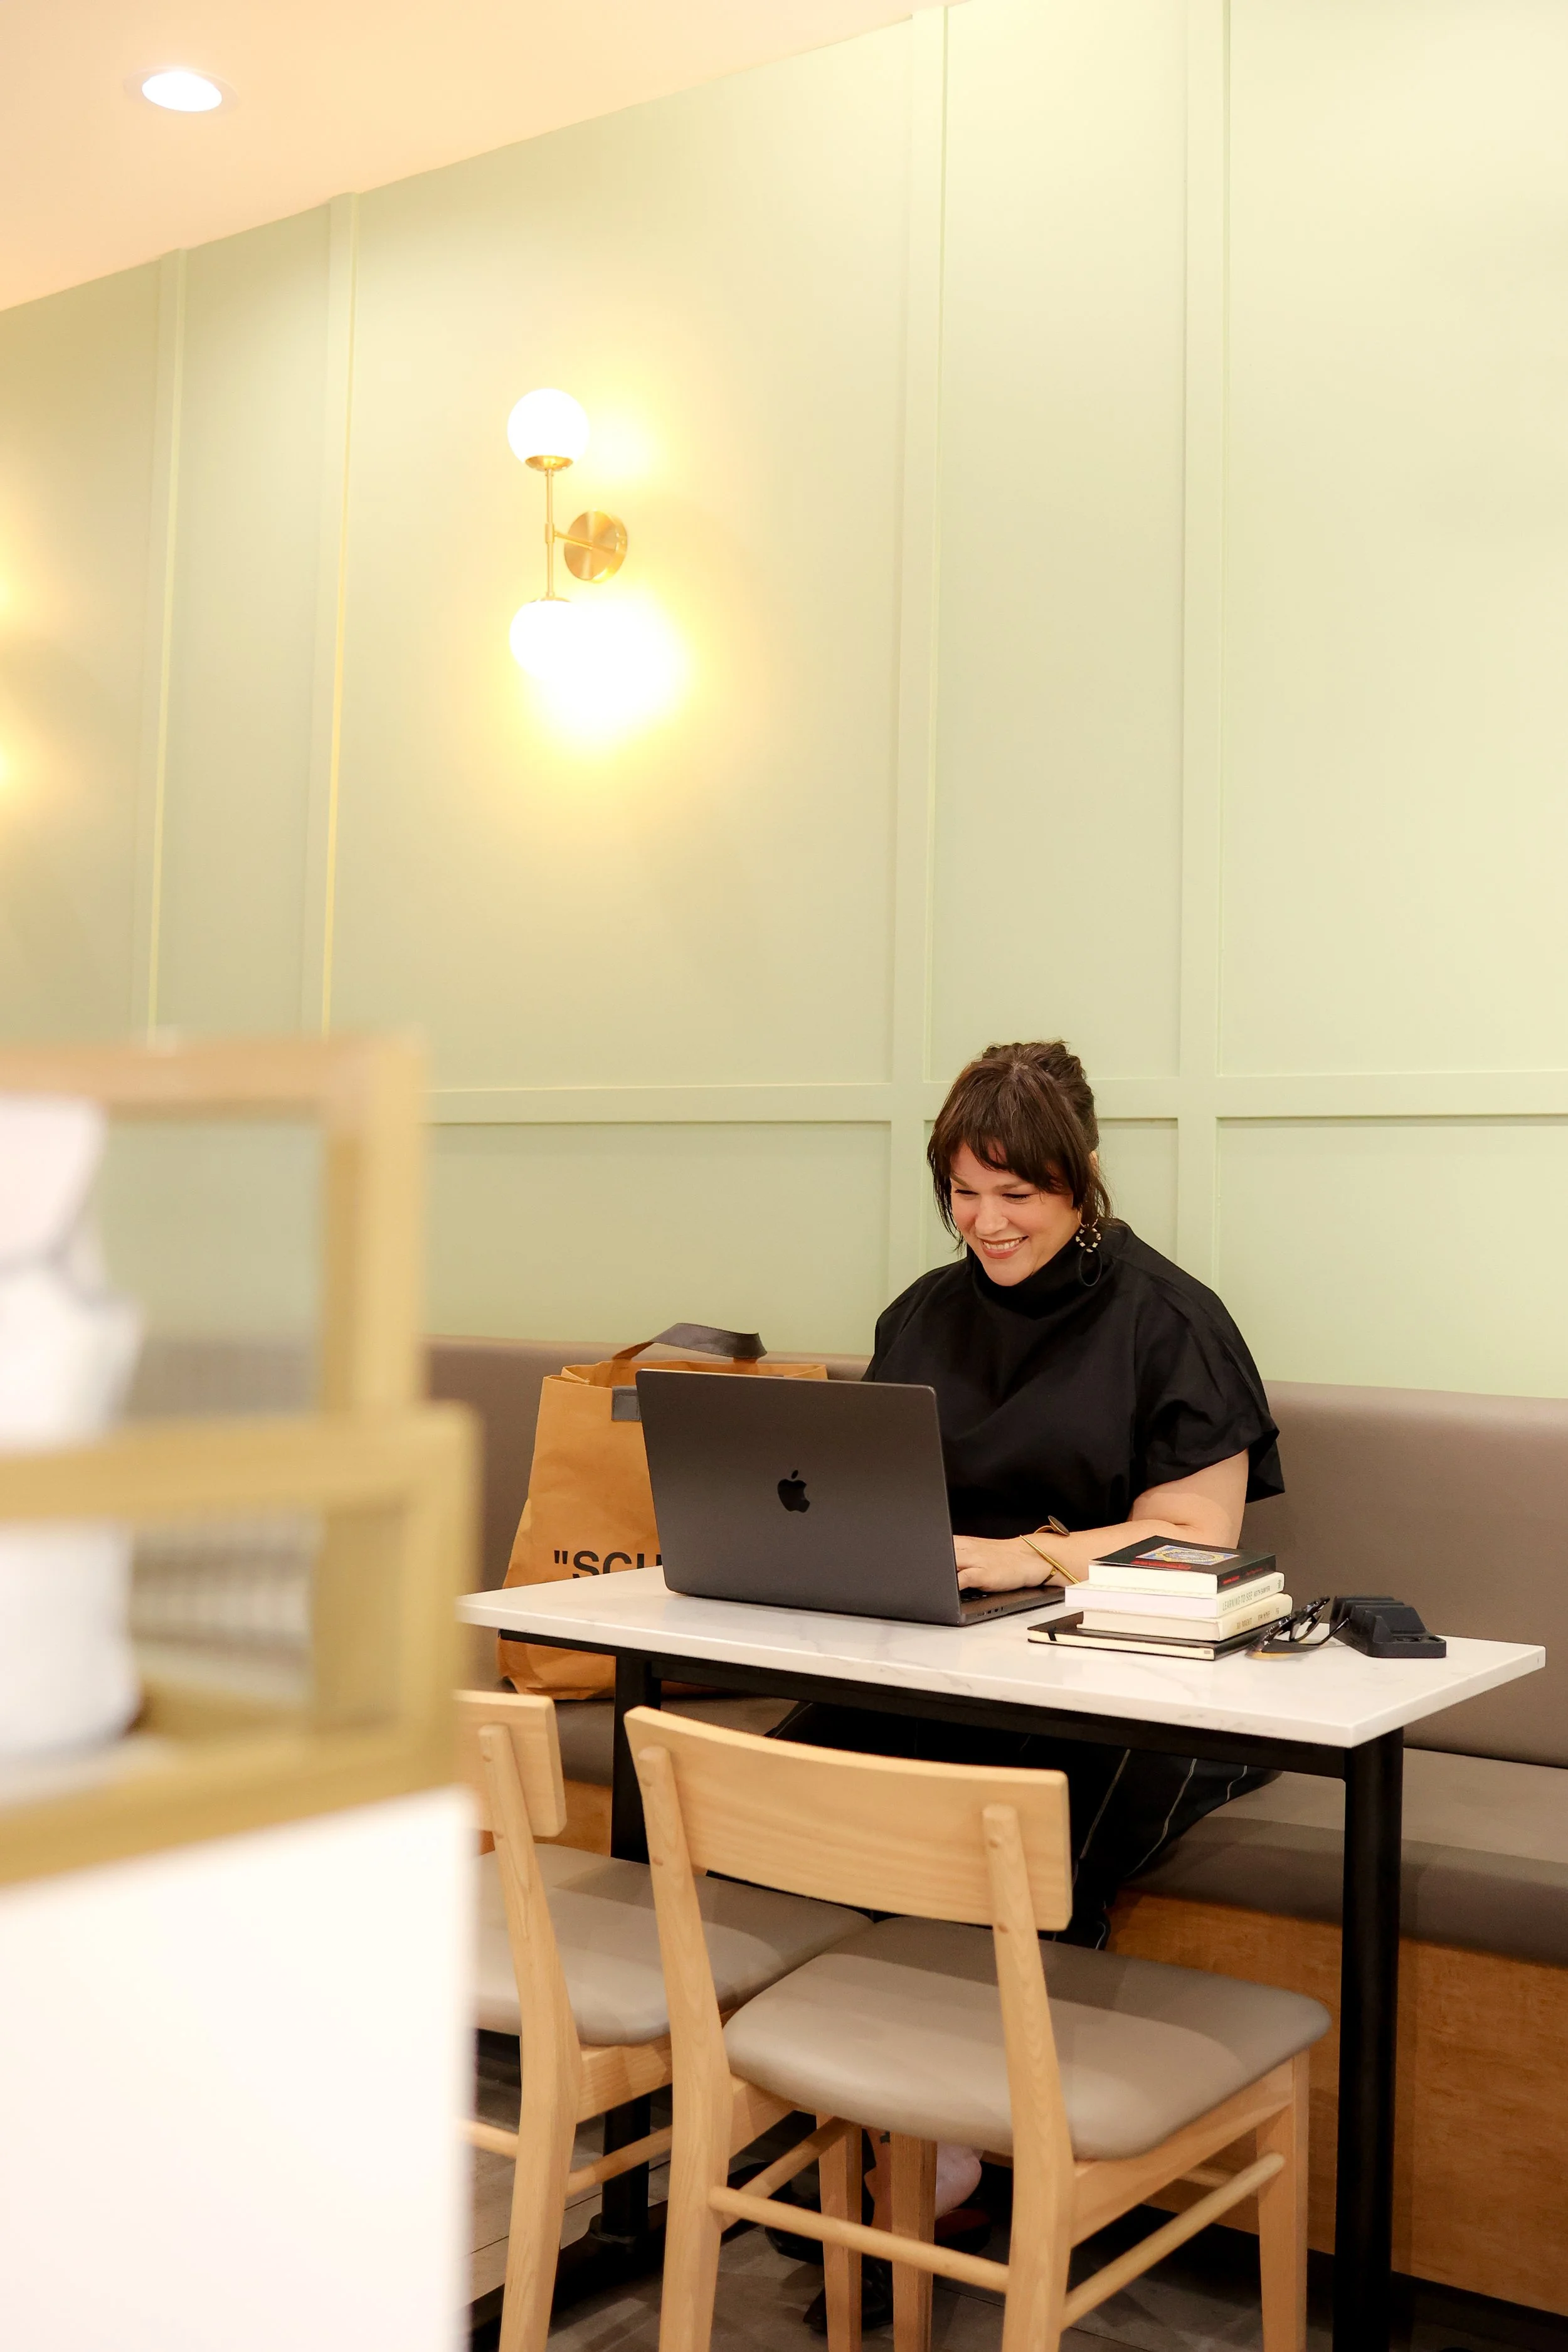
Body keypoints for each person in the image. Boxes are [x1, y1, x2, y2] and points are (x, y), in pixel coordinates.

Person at [777, 1037, 1284, 1946]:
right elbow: (873, 1494)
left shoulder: (1170, 1322)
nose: (987, 1221)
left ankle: (1011, 2077)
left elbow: (1195, 1536)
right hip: (953, 1657)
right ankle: (776, 2062)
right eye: (965, 1194)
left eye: (1018, 1194)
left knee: (1029, 1863)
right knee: (770, 1808)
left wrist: (1021, 1557)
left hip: (1138, 1677)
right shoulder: (924, 1314)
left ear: (1083, 1176)